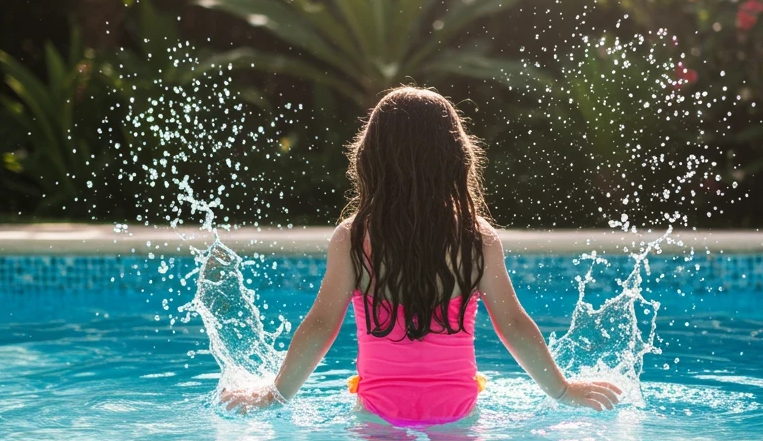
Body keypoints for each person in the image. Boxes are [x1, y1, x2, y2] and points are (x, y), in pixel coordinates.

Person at [219, 86, 622, 422]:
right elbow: (513, 325)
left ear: (371, 158)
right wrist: (563, 390)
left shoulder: (354, 238)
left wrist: (275, 393)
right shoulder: (476, 240)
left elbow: (321, 325)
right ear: (457, 159)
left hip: (378, 408)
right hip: (457, 407)